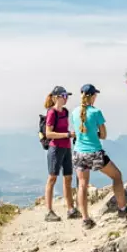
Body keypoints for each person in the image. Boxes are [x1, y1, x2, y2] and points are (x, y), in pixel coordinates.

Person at [71, 84, 127, 229]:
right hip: (94, 152)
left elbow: (78, 132)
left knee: (82, 185)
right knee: (117, 176)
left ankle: (85, 219)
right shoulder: (96, 112)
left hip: (78, 152)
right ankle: (122, 209)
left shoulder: (74, 112)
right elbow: (103, 135)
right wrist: (94, 134)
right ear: (93, 96)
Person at [41, 87, 79, 222]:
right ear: (56, 97)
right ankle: (49, 211)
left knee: (68, 178)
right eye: (64, 95)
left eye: (67, 95)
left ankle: (70, 209)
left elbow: (63, 128)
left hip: (66, 148)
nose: (66, 97)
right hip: (55, 149)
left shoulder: (65, 112)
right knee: (52, 178)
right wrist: (67, 134)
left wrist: (70, 134)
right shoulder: (52, 113)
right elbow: (49, 133)